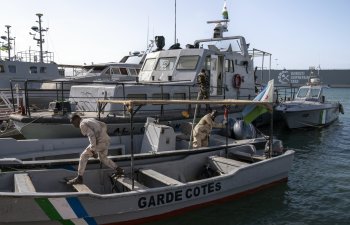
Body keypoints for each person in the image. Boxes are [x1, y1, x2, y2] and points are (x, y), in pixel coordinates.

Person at [67, 114, 124, 185]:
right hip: (106, 140)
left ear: (77, 119)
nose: (73, 125)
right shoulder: (89, 119)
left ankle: (79, 178)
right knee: (102, 158)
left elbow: (91, 135)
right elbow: (103, 125)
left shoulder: (82, 124)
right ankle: (118, 169)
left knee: (83, 156)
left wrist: (93, 150)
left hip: (99, 142)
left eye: (73, 123)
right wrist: (102, 135)